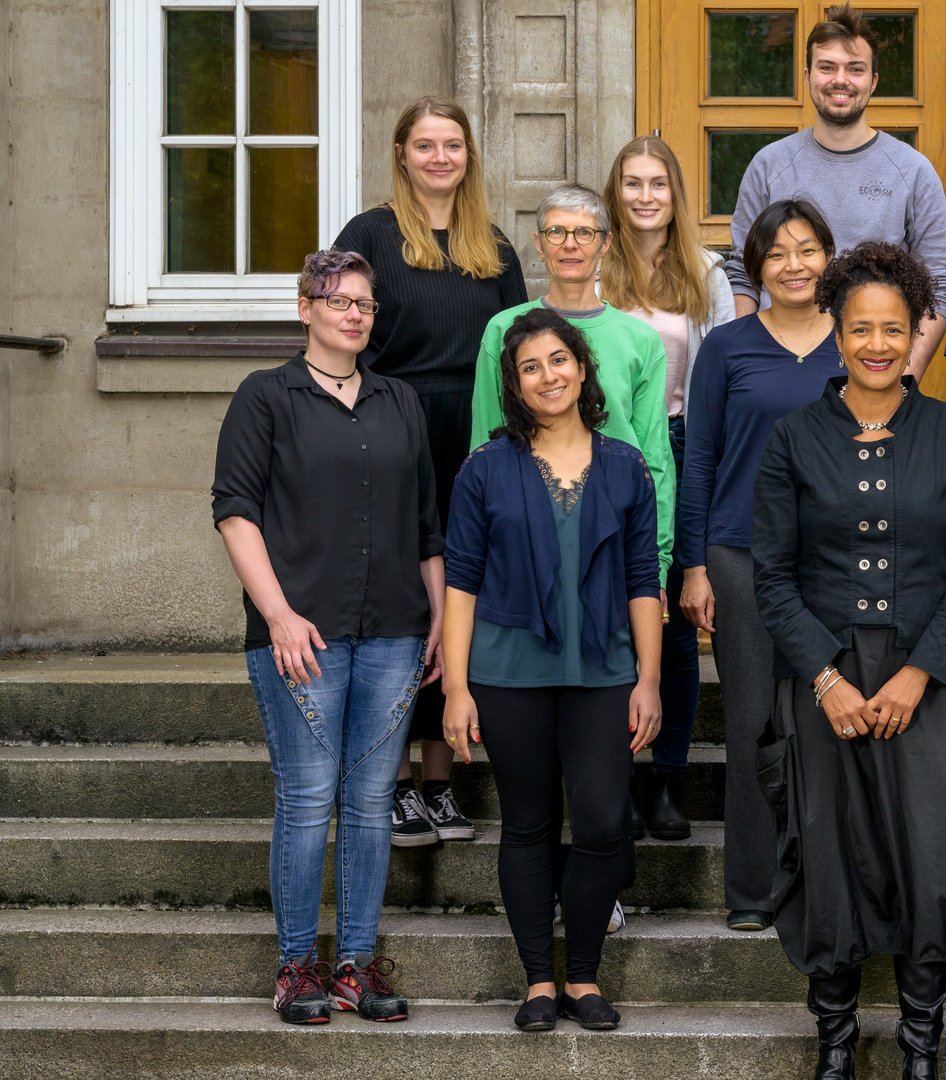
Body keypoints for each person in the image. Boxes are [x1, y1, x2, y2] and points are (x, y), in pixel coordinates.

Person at [753, 242, 946, 1080]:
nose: (877, 345)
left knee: (930, 858)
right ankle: (835, 1043)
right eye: (861, 328)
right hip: (823, 683)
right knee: (828, 856)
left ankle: (920, 1045)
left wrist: (916, 673)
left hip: (929, 680)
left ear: (916, 336)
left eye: (893, 330)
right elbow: (772, 575)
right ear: (836, 331)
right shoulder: (792, 440)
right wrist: (824, 678)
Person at [212, 248, 438, 1025]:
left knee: (373, 800)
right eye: (336, 300)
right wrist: (277, 614)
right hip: (298, 633)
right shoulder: (265, 398)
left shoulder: (399, 401)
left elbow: (426, 527)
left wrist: (437, 616)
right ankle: (296, 966)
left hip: (394, 631)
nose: (352, 313)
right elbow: (235, 513)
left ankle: (356, 966)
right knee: (308, 797)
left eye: (364, 304)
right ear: (304, 308)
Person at [440, 307, 666, 1033]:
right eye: (530, 366)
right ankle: (539, 980)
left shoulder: (627, 466)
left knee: (602, 824)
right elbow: (461, 584)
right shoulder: (483, 469)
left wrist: (650, 679)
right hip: (508, 674)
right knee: (528, 824)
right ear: (514, 382)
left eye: (558, 360)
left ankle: (584, 978)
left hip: (604, 673)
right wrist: (455, 687)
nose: (548, 376)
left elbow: (642, 581)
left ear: (582, 368)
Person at [333, 96, 527, 849]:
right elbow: (346, 329)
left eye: (453, 144)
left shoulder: (495, 246)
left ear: (468, 155)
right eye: (426, 145)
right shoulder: (371, 235)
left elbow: (517, 346)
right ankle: (392, 782)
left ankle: (440, 783)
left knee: (460, 596)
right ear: (402, 154)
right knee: (403, 601)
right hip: (393, 429)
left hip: (475, 438)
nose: (440, 157)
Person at [680, 199, 843, 932]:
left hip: (837, 562)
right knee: (751, 719)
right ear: (756, 268)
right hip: (740, 554)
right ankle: (751, 890)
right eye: (777, 254)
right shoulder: (728, 347)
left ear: (828, 258)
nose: (794, 265)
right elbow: (702, 458)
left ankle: (826, 879)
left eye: (807, 250)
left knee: (829, 715)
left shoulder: (857, 343)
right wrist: (693, 565)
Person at [600, 136, 736, 842]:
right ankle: (617, 777)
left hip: (683, 447)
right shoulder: (595, 264)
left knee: (679, 621)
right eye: (632, 183)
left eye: (658, 182)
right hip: (606, 454)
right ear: (615, 191)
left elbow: (721, 375)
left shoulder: (705, 271)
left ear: (674, 192)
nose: (645, 196)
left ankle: (667, 781)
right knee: (619, 615)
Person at [724, 3, 946, 377]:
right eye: (827, 67)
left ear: (874, 81)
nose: (841, 80)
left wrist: (905, 374)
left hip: (875, 367)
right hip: (778, 364)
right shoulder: (768, 166)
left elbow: (941, 282)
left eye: (855, 69)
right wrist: (747, 357)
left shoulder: (912, 170)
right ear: (807, 75)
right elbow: (742, 270)